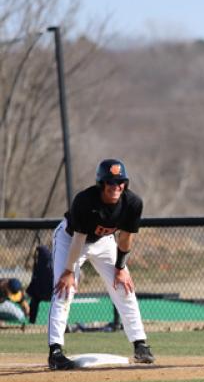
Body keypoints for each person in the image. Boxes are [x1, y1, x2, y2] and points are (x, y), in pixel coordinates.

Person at [48, 158, 155, 370]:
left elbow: (125, 237)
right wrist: (69, 271)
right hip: (70, 240)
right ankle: (55, 352)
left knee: (124, 287)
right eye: (111, 182)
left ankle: (140, 345)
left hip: (105, 242)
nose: (116, 187)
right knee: (64, 290)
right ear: (101, 184)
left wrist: (121, 267)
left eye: (120, 182)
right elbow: (79, 239)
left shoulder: (132, 203)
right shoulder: (85, 201)